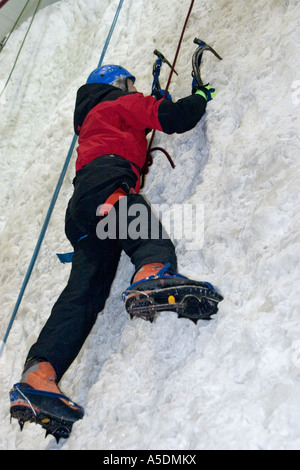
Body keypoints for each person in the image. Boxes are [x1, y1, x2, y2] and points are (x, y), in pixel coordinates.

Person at [9, 64, 220, 440]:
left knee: (84, 295)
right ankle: (153, 273)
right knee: (147, 237)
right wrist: (200, 98)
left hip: (81, 208)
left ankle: (38, 377)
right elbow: (172, 118)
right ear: (116, 84)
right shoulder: (118, 101)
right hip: (106, 181)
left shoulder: (93, 117)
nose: (131, 87)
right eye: (128, 83)